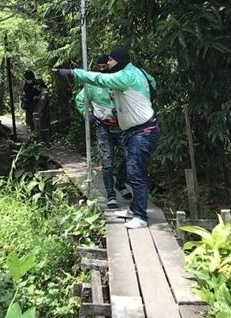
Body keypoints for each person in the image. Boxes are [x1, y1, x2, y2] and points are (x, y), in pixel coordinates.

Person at [56, 47, 160, 229]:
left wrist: (74, 73)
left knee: (136, 174)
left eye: (110, 60)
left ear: (119, 61)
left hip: (142, 132)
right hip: (135, 130)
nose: (108, 63)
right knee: (132, 171)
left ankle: (141, 217)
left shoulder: (125, 76)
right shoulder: (137, 72)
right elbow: (152, 83)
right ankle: (134, 210)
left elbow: (99, 79)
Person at [75, 54, 132, 209]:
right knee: (107, 162)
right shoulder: (93, 84)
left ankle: (120, 183)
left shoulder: (120, 80)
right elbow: (80, 100)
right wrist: (89, 115)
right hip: (103, 128)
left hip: (122, 127)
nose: (103, 70)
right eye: (100, 67)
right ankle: (111, 195)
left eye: (105, 66)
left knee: (129, 156)